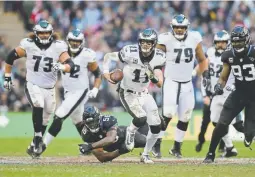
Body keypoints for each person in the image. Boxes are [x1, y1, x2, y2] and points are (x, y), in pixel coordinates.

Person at [3, 20, 74, 157]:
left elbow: (70, 64)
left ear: (51, 33)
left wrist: (62, 67)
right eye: (41, 33)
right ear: (36, 33)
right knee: (38, 103)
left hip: (50, 88)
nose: (44, 35)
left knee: (46, 118)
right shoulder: (28, 44)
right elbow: (10, 57)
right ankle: (37, 138)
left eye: (46, 32)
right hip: (33, 84)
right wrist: (7, 76)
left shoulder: (58, 46)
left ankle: (34, 145)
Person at [27, 29, 102, 157]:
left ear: (82, 42)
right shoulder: (61, 52)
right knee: (78, 120)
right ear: (68, 41)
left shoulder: (87, 54)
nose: (74, 44)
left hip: (80, 91)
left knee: (59, 115)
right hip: (68, 92)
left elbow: (97, 73)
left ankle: (41, 146)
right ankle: (94, 146)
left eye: (77, 42)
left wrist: (95, 88)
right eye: (72, 41)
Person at [103, 28, 166, 163]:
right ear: (139, 42)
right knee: (141, 118)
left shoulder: (159, 56)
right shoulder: (129, 52)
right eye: (143, 42)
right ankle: (130, 132)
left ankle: (145, 154)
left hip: (144, 93)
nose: (145, 45)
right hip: (128, 92)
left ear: (154, 43)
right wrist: (106, 73)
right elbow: (108, 56)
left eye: (148, 42)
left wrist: (153, 78)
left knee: (156, 125)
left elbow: (160, 83)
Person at [154, 14, 210, 158]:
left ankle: (176, 147)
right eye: (177, 27)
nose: (179, 30)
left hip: (187, 83)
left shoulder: (194, 38)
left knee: (185, 115)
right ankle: (156, 143)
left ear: (187, 28)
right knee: (168, 113)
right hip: (171, 81)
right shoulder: (165, 39)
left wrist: (205, 77)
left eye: (182, 27)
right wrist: (157, 73)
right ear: (172, 27)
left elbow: (202, 60)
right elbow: (156, 60)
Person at [204, 26, 255, 163]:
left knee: (249, 134)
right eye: (235, 42)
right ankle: (210, 154)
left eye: (240, 42)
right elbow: (223, 77)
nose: (237, 45)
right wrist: (218, 85)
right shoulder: (229, 55)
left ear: (246, 41)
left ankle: (249, 137)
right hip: (238, 94)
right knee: (221, 123)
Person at [195, 30, 238, 157]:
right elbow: (204, 73)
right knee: (214, 121)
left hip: (230, 93)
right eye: (218, 42)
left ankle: (228, 147)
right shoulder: (210, 53)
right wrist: (206, 94)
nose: (220, 45)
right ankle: (229, 147)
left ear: (228, 42)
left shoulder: (232, 54)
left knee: (238, 124)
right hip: (215, 94)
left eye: (223, 42)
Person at [78, 106, 147, 163]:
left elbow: (111, 139)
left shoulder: (108, 120)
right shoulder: (86, 134)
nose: (92, 125)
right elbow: (102, 158)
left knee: (146, 142)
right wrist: (121, 151)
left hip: (126, 135)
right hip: (112, 148)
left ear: (99, 117)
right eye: (89, 123)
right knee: (106, 158)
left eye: (94, 121)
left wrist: (90, 146)